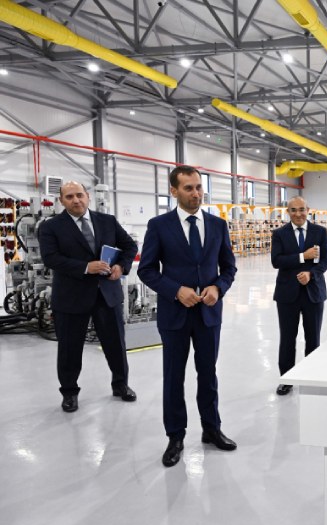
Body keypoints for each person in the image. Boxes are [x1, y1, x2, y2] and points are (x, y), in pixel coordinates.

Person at [138, 165, 238, 467]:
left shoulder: (218, 225)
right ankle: (175, 436)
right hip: (175, 315)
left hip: (208, 313)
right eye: (188, 188)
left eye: (198, 187)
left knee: (208, 374)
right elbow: (146, 270)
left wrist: (218, 288)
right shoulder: (159, 225)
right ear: (174, 191)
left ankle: (212, 428)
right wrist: (175, 290)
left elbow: (229, 267)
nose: (196, 193)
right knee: (174, 377)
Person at [39, 181, 138, 413]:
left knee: (116, 344)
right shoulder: (51, 226)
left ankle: (120, 384)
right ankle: (69, 392)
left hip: (107, 293)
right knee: (69, 348)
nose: (76, 200)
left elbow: (129, 247)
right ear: (61, 201)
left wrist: (121, 267)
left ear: (88, 196)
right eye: (69, 197)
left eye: (79, 195)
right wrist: (85, 267)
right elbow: (50, 258)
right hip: (71, 297)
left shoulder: (107, 221)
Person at [271, 196, 327, 396]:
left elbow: (326, 260)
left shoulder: (320, 232)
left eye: (301, 209)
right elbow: (276, 261)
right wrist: (302, 257)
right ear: (288, 212)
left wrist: (311, 274)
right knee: (287, 338)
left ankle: (311, 376)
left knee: (313, 338)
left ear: (308, 210)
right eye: (293, 210)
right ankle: (286, 379)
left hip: (313, 293)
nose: (298, 214)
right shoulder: (279, 234)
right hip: (287, 294)